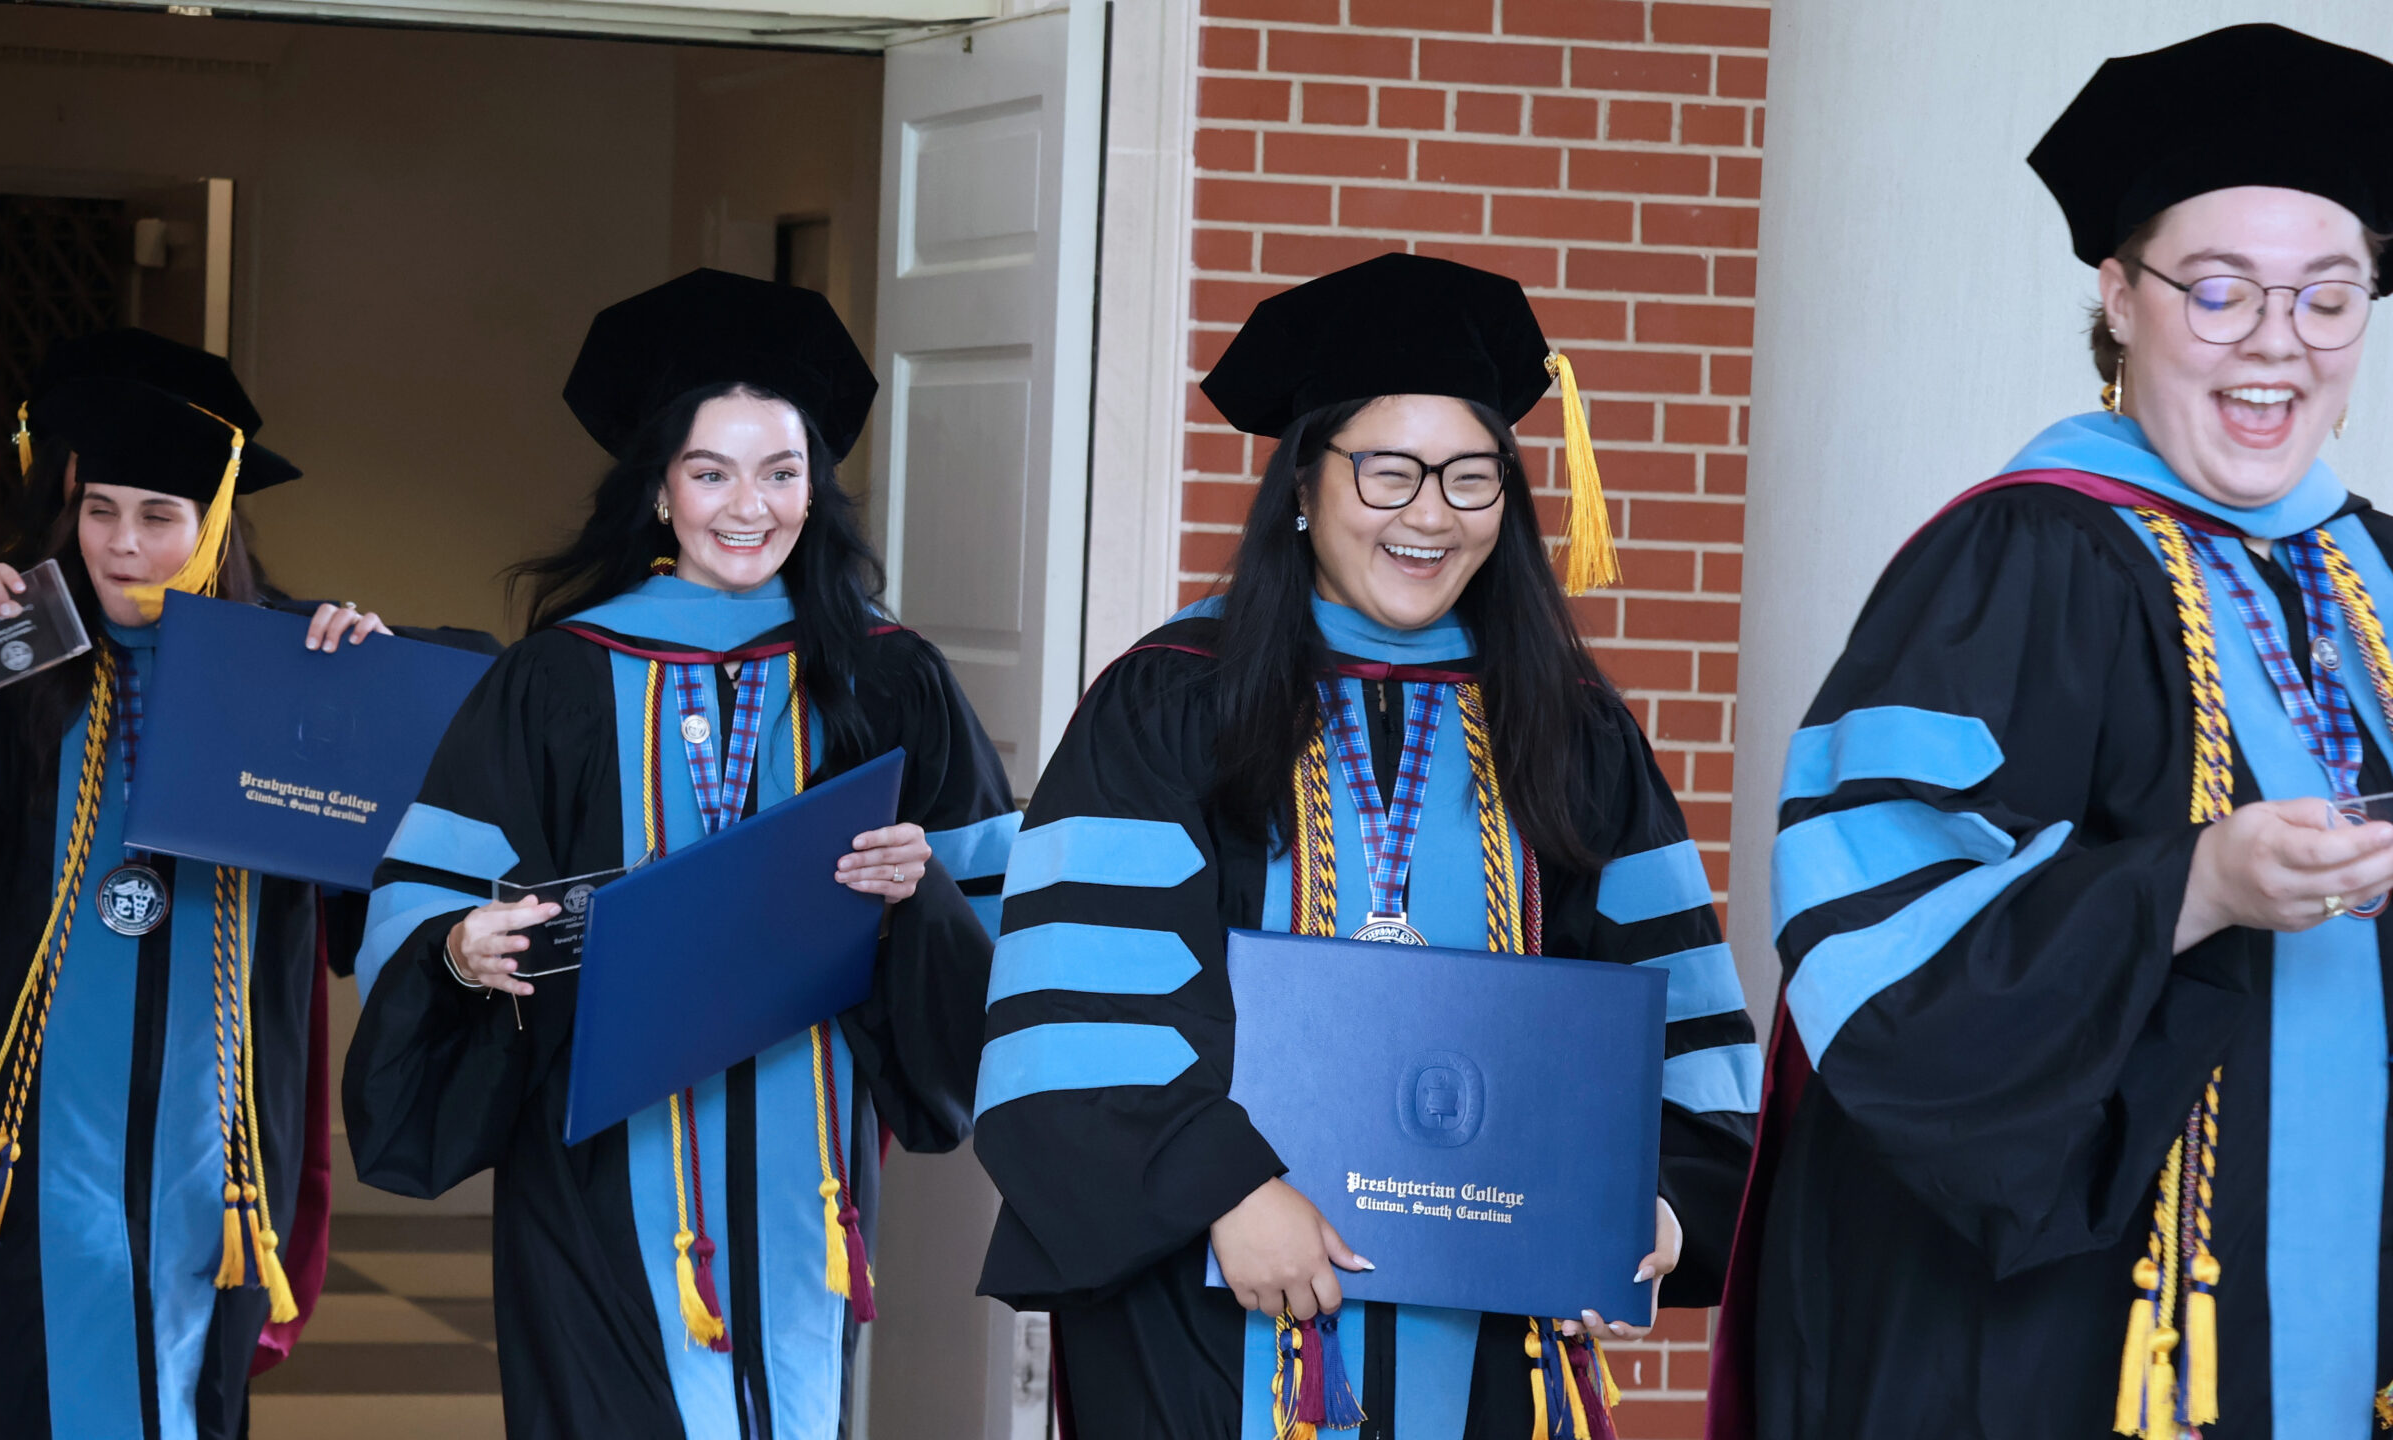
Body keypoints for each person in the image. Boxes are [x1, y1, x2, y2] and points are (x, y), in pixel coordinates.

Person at [1706, 25, 2393, 1440]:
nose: (2279, 343)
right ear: (2119, 297)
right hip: (2091, 1340)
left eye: (2329, 298)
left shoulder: (2376, 570)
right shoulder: (2024, 559)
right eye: (2220, 292)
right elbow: (1875, 928)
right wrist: (2195, 886)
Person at [970, 253, 1758, 1436]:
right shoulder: (1170, 703)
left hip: (1494, 1326)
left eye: (1470, 477)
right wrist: (1224, 1190)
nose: (1431, 515)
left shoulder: (1571, 727)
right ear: (1303, 482)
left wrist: (1649, 1209)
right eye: (1388, 473)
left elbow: (1675, 1021)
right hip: (1212, 1310)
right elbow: (1081, 1008)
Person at [342, 269, 1016, 1439]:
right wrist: (460, 948)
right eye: (709, 472)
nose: (746, 505)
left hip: (809, 1167)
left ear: (818, 487)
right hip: (593, 1172)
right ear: (657, 492)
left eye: (780, 470)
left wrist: (924, 894)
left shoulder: (890, 676)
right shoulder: (553, 682)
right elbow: (424, 902)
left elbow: (1002, 926)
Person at [0, 338, 385, 1439]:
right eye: (101, 509)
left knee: (180, 1380)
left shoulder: (288, 666)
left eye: (160, 515)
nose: (124, 544)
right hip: (13, 1144)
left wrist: (366, 697)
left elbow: (371, 886)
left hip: (214, 1141)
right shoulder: (24, 649)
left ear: (215, 523)